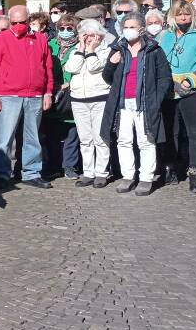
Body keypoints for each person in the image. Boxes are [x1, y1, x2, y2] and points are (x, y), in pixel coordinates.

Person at [101, 12, 172, 196]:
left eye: (132, 27)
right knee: (123, 140)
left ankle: (146, 178)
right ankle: (127, 176)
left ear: (141, 29)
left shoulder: (153, 50)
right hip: (123, 103)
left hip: (145, 103)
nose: (128, 30)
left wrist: (156, 100)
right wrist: (111, 63)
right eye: (126, 27)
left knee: (146, 141)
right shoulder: (118, 49)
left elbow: (164, 78)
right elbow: (107, 78)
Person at [0, 5, 54, 190]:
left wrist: (48, 92)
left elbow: (47, 68)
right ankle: (2, 174)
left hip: (35, 95)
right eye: (13, 23)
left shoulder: (40, 39)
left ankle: (32, 173)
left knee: (33, 137)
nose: (18, 26)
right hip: (8, 95)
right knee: (5, 138)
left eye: (22, 22)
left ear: (29, 20)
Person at [160, 0, 196, 193]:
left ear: (192, 16)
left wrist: (190, 80)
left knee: (195, 134)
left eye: (187, 14)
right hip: (169, 91)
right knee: (169, 133)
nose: (183, 17)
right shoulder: (167, 37)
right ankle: (170, 168)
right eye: (179, 14)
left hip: (195, 91)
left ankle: (195, 174)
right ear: (173, 16)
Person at [64, 19, 113, 188]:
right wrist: (81, 49)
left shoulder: (107, 51)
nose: (88, 39)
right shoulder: (76, 50)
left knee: (100, 138)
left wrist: (91, 51)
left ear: (99, 35)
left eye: (92, 35)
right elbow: (71, 68)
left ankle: (101, 173)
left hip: (99, 97)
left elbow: (94, 67)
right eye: (85, 35)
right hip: (78, 99)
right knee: (85, 139)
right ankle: (88, 172)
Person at [43, 13, 80, 179]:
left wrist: (69, 83)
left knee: (71, 134)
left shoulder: (80, 46)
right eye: (62, 28)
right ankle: (53, 165)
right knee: (52, 135)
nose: (65, 31)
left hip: (71, 94)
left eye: (69, 28)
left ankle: (69, 166)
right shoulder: (50, 44)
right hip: (52, 93)